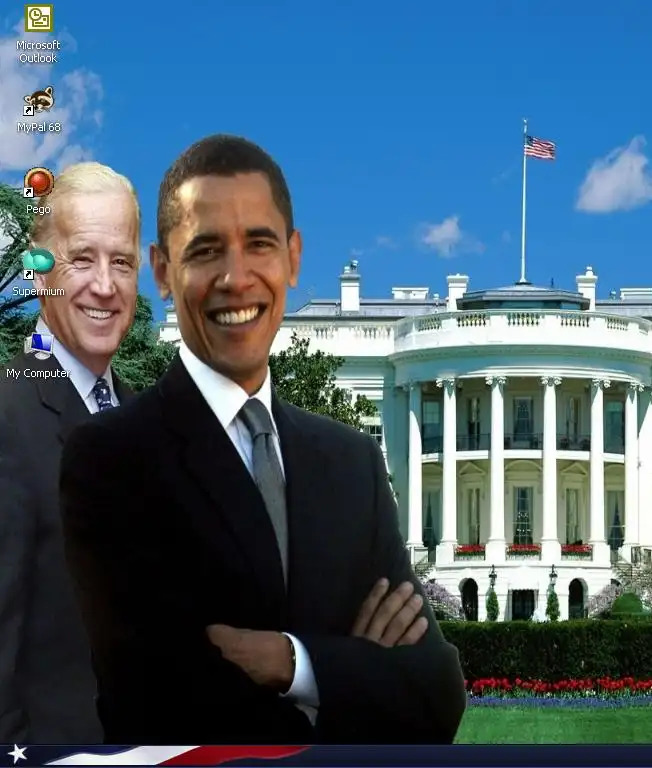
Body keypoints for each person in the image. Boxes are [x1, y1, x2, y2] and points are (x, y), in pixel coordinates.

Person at [59, 135, 467, 745]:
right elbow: (158, 707)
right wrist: (359, 670)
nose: (236, 278)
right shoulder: (111, 457)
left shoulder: (351, 462)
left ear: (293, 258)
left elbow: (437, 697)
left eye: (259, 244)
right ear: (162, 271)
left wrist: (290, 663)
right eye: (205, 250)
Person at [0, 162, 140, 742]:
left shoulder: (150, 425)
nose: (105, 285)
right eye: (82, 259)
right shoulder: (7, 417)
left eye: (122, 262)